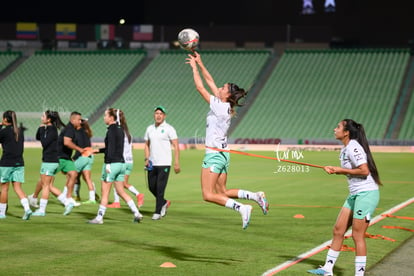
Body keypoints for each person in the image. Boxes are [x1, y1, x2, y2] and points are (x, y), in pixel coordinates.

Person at [186, 51, 269, 230]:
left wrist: (193, 68)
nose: (219, 88)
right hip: (223, 154)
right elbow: (210, 81)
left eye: (223, 88)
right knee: (222, 192)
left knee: (207, 195)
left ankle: (242, 208)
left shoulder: (220, 107)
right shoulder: (224, 105)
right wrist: (200, 63)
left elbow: (201, 88)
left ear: (227, 95)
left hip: (214, 154)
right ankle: (255, 196)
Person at [307, 119, 381, 276]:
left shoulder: (353, 147)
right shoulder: (346, 148)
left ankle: (359, 275)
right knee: (338, 230)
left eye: (338, 127)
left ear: (346, 132)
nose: (334, 129)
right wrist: (334, 169)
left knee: (357, 235)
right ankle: (327, 269)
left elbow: (364, 171)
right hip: (355, 195)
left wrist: (339, 170)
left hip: (366, 194)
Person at [88, 108, 143, 224]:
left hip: (112, 164)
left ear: (111, 117)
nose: (104, 118)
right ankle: (137, 213)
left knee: (105, 193)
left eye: (105, 116)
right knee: (121, 191)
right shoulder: (120, 129)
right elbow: (112, 147)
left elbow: (111, 149)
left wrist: (107, 164)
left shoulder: (111, 130)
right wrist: (96, 151)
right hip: (121, 164)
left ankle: (99, 218)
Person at [144, 105, 180, 220]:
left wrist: (176, 162)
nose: (158, 116)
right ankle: (163, 202)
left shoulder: (169, 128)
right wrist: (146, 158)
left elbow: (176, 145)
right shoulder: (149, 128)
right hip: (152, 163)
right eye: (156, 113)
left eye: (161, 114)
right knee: (151, 186)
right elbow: (146, 144)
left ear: (164, 116)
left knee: (160, 188)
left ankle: (157, 212)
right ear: (154, 115)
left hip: (164, 163)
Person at [29, 110, 69, 216]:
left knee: (45, 186)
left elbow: (44, 143)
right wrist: (41, 127)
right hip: (49, 160)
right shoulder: (48, 129)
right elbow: (38, 137)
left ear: (49, 119)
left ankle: (42, 210)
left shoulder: (52, 130)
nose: (41, 117)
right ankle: (67, 203)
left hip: (50, 161)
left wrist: (42, 128)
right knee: (49, 186)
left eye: (43, 116)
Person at [0, 110, 32, 220]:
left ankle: (2, 213)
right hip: (19, 163)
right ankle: (27, 208)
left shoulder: (4, 132)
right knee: (18, 188)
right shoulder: (19, 131)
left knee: (4, 189)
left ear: (5, 119)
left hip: (6, 163)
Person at [107, 117, 144, 209]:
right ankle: (137, 195)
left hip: (122, 160)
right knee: (123, 183)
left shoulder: (119, 133)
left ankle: (135, 195)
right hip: (130, 161)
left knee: (117, 181)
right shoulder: (129, 134)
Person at [57, 111, 85, 215]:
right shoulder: (69, 129)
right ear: (73, 120)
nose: (80, 121)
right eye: (79, 120)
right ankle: (34, 196)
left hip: (66, 157)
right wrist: (79, 149)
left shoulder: (72, 129)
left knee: (73, 174)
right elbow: (67, 142)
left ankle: (68, 198)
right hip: (58, 157)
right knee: (46, 180)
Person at [72, 119, 98, 204]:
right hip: (90, 156)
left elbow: (80, 148)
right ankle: (92, 197)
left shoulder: (78, 133)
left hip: (83, 156)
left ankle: (70, 196)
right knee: (87, 178)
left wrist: (74, 158)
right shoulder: (86, 132)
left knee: (71, 175)